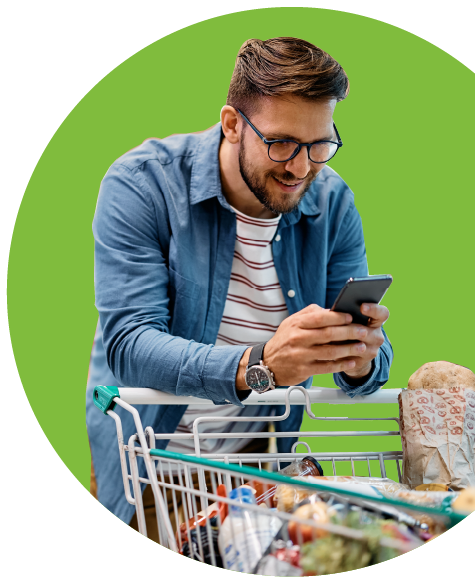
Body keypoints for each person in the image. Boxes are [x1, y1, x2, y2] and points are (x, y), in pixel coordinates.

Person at [86, 37, 393, 531]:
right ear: (232, 124)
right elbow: (130, 345)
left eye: (319, 145)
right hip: (148, 468)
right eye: (281, 143)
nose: (301, 167)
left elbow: (370, 352)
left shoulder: (332, 202)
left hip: (252, 474)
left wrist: (359, 358)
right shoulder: (142, 184)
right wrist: (260, 364)